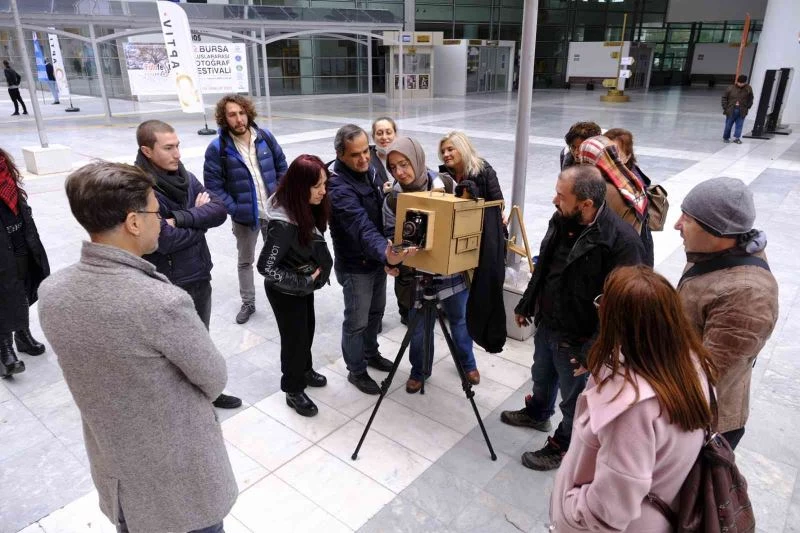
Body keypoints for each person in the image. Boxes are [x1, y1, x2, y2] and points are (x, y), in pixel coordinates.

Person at [38, 161, 237, 533]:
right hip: (180, 484)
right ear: (133, 222)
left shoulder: (52, 293)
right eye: (156, 213)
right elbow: (214, 378)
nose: (160, 221)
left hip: (120, 478)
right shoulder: (160, 302)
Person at [550, 265, 715, 532]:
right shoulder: (692, 367)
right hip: (661, 513)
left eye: (603, 302)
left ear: (617, 321)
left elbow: (608, 510)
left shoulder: (632, 408)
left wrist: (569, 511)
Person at [500, 165, 645, 471]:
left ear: (586, 204)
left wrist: (592, 351)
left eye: (561, 195)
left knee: (573, 401)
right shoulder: (562, 218)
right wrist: (527, 302)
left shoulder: (622, 242)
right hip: (548, 323)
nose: (554, 200)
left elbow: (622, 309)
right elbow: (545, 266)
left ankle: (565, 445)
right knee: (541, 375)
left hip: (578, 340)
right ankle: (538, 412)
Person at [135, 120, 242, 410]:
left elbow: (219, 210)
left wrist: (183, 216)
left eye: (178, 145)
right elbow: (163, 239)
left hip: (198, 274)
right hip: (169, 283)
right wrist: (198, 214)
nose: (177, 154)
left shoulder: (184, 176)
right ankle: (181, 400)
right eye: (168, 148)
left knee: (201, 340)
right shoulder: (141, 188)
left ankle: (208, 389)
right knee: (175, 348)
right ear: (146, 150)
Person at [675, 177, 779, 449]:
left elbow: (709, 373)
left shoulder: (747, 294)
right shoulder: (710, 254)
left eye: (687, 219)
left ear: (717, 231)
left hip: (702, 423)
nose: (677, 225)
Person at [382, 136, 477, 393]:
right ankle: (419, 371)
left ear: (417, 159)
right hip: (416, 273)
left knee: (459, 318)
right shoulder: (392, 198)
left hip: (450, 269)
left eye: (404, 164)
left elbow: (464, 216)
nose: (400, 172)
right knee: (419, 327)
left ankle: (467, 364)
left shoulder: (444, 183)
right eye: (393, 168)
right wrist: (396, 255)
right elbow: (391, 233)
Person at [328, 124, 413, 395]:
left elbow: (381, 215)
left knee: (376, 313)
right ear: (341, 154)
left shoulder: (372, 169)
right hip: (356, 267)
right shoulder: (338, 187)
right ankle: (356, 369)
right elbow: (362, 227)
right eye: (356, 154)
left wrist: (387, 253)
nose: (364, 158)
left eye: (366, 150)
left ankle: (370, 352)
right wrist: (386, 253)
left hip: (376, 260)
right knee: (357, 320)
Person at [257, 155, 333, 417]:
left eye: (324, 183)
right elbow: (265, 267)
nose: (323, 191)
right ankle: (293, 388)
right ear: (301, 187)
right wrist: (302, 282)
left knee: (307, 330)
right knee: (293, 339)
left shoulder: (302, 207)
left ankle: (305, 369)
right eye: (317, 186)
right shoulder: (283, 223)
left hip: (303, 287)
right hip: (286, 291)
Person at [203, 94, 288, 325]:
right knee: (245, 261)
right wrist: (235, 209)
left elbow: (282, 166)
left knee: (278, 256)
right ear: (224, 118)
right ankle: (248, 302)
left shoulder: (265, 137)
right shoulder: (217, 148)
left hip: (272, 212)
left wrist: (280, 195)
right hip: (245, 217)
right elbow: (214, 187)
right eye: (232, 115)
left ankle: (281, 293)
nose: (239, 119)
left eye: (242, 113)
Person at [438, 131, 507, 353]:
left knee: (484, 284)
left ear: (462, 148)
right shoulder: (443, 175)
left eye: (450, 149)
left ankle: (483, 333)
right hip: (455, 238)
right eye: (443, 151)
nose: (446, 154)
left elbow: (498, 202)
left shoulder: (482, 169)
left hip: (484, 238)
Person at [0, 148, 49, 377]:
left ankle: (23, 335)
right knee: (3, 293)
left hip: (20, 238)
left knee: (20, 286)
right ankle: (5, 348)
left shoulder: (3, 163)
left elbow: (16, 198)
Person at [577, 135, 652, 265]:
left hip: (612, 258)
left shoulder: (602, 190)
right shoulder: (627, 180)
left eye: (583, 159)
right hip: (632, 253)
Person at [603, 128, 655, 266]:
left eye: (616, 153)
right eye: (606, 153)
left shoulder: (633, 184)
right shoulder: (607, 177)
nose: (609, 158)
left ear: (627, 156)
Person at [721, 74, 754, 144]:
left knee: (739, 125)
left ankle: (737, 138)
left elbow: (751, 98)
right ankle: (726, 137)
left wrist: (748, 106)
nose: (741, 84)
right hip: (731, 109)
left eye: (742, 83)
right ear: (737, 81)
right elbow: (724, 98)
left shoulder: (748, 88)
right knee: (728, 125)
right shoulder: (730, 88)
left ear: (745, 82)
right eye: (739, 82)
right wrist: (725, 107)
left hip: (742, 110)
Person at [370, 116, 397, 189]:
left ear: (395, 134)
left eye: (388, 133)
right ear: (373, 137)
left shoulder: (405, 155)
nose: (384, 137)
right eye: (379, 133)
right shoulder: (367, 161)